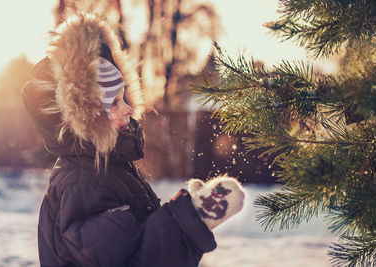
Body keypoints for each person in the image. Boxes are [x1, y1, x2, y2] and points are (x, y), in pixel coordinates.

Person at [21, 13, 245, 267]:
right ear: (85, 118)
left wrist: (186, 215)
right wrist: (188, 221)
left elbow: (136, 240)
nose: (128, 109)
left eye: (124, 96)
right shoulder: (82, 184)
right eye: (114, 103)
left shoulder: (105, 169)